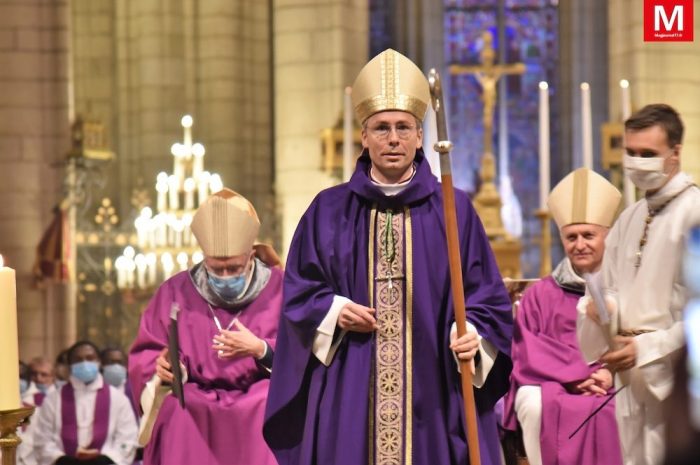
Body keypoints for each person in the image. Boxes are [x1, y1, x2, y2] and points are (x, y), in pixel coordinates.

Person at [263, 49, 513, 465]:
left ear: (420, 136)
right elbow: (299, 293)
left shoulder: (453, 208)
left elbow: (486, 297)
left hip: (434, 385)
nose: (392, 138)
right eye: (381, 128)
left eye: (403, 127)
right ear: (364, 136)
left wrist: (470, 333)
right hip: (349, 381)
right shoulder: (328, 210)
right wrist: (336, 311)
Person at [577, 104, 700, 465]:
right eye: (631, 153)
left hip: (676, 377)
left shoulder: (694, 212)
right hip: (629, 374)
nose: (637, 162)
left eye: (648, 154)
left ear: (675, 153)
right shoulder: (630, 217)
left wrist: (646, 347)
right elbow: (609, 287)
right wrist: (604, 309)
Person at [128, 188, 282, 465]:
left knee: (270, 404)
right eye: (216, 269)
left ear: (250, 255)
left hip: (259, 396)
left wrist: (261, 349)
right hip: (194, 397)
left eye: (233, 268)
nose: (224, 277)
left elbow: (305, 350)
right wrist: (165, 369)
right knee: (175, 407)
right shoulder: (175, 290)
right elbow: (148, 352)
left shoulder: (281, 287)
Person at [503, 168, 623, 465]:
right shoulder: (540, 294)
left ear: (606, 237)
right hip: (554, 382)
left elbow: (639, 338)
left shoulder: (627, 287)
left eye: (588, 236)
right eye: (571, 237)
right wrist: (577, 374)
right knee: (531, 400)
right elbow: (526, 350)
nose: (579, 244)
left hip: (614, 381)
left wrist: (613, 373)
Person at [34, 340, 138, 465]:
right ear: (70, 364)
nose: (84, 363)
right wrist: (60, 459)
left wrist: (107, 458)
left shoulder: (117, 398)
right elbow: (42, 439)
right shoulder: (54, 399)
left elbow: (127, 438)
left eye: (89, 358)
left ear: (99, 362)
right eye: (78, 359)